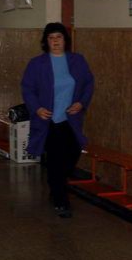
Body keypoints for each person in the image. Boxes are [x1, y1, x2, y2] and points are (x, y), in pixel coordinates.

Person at [21, 23, 94, 218]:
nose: (55, 41)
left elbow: (88, 83)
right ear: (46, 41)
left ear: (65, 40)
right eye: (51, 38)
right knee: (55, 159)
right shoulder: (37, 64)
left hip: (70, 119)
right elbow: (27, 88)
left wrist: (81, 102)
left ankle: (56, 186)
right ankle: (61, 200)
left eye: (59, 37)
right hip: (48, 119)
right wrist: (37, 108)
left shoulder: (77, 61)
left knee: (73, 152)